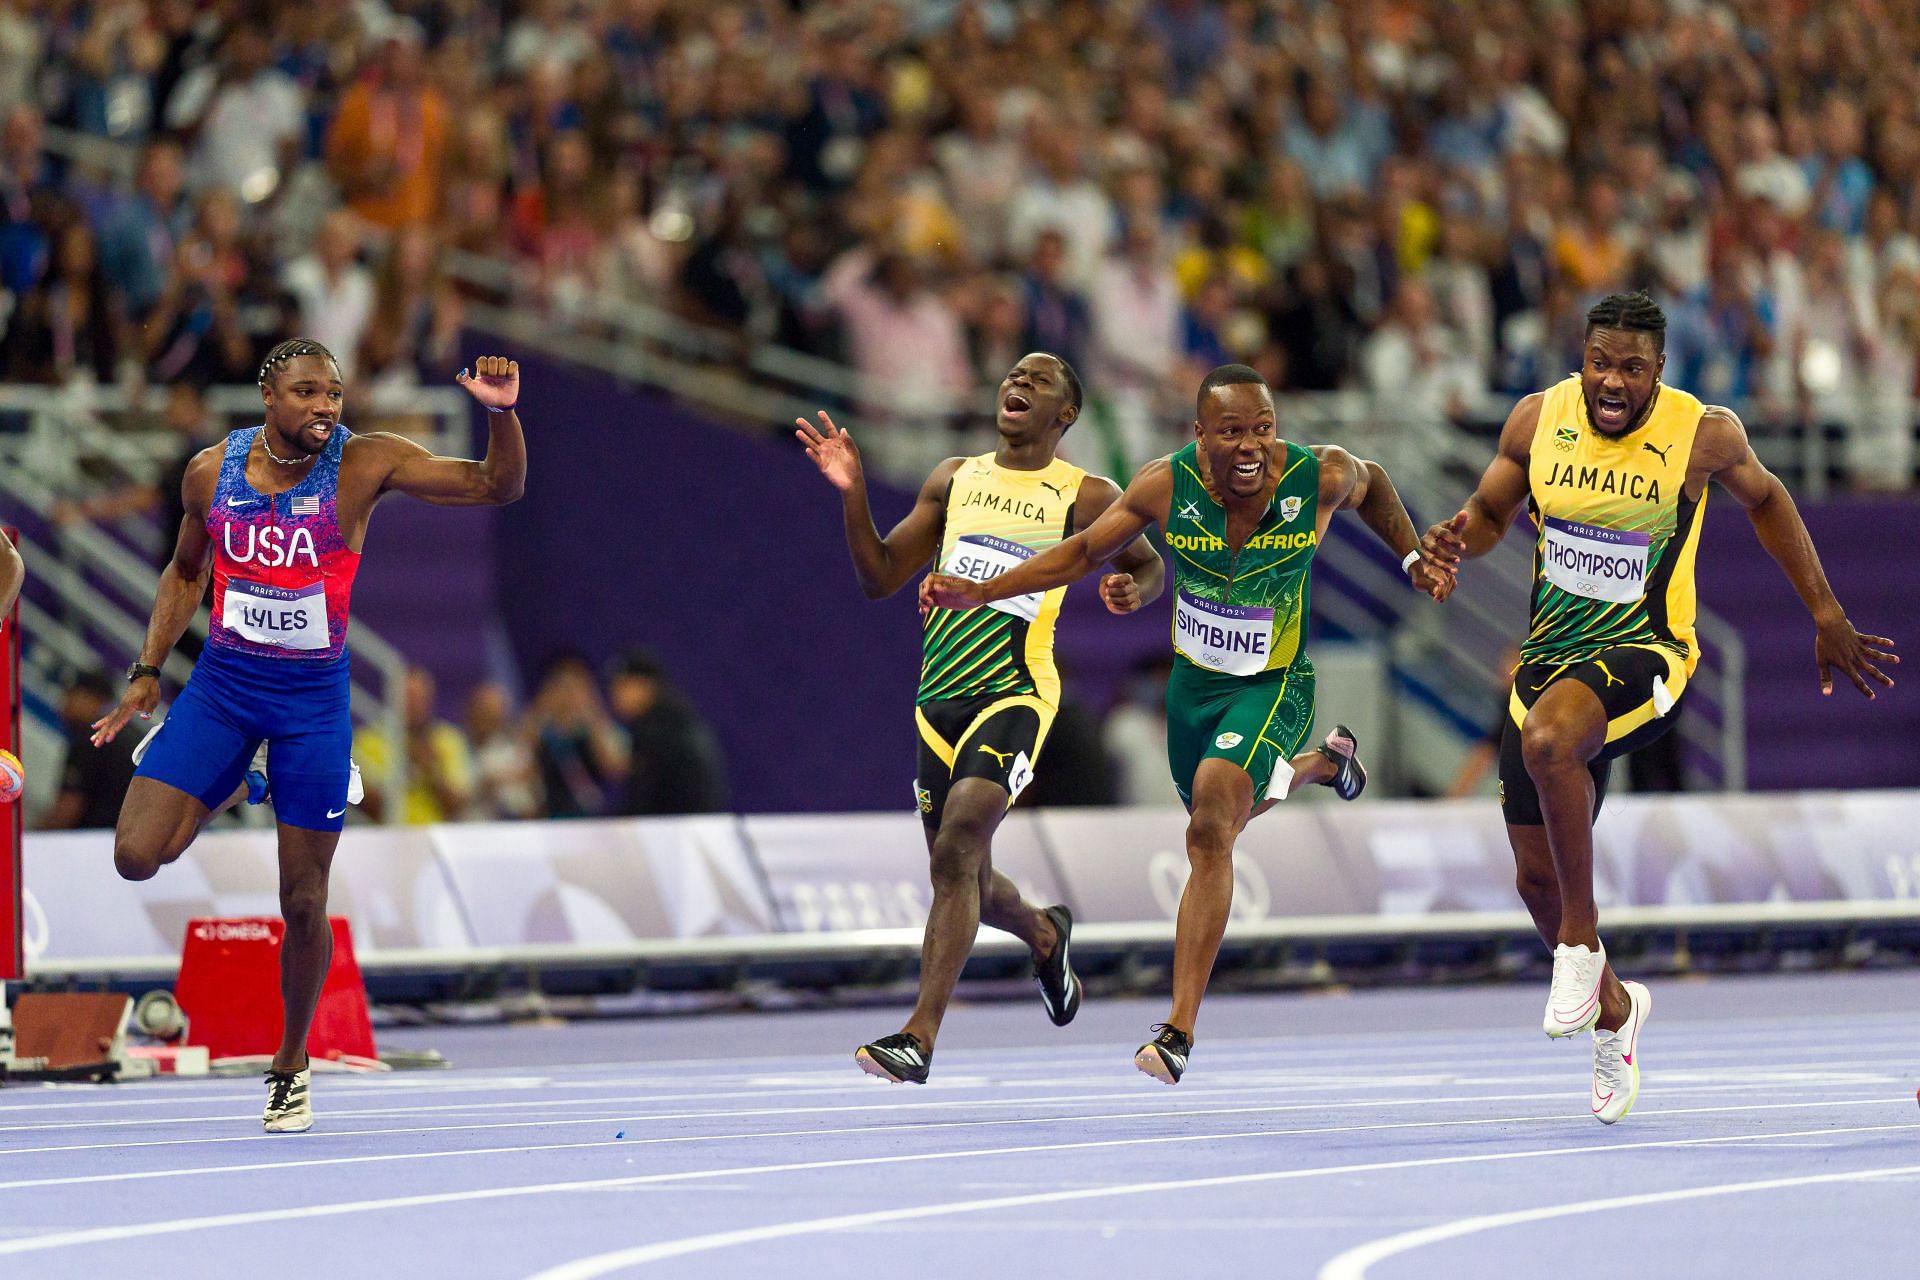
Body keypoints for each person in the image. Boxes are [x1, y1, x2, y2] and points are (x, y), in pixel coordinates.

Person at [1419, 291, 1899, 1125]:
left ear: (1658, 372)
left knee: (1550, 741)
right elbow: (1494, 511)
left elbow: (1772, 502)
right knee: (1534, 873)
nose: (1612, 381)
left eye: (1631, 369)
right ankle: (1615, 1011)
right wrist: (1459, 533)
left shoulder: (1700, 433)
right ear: (1582, 356)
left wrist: (1824, 610)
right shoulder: (1538, 421)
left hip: (1651, 655)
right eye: (1600, 362)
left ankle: (1579, 941)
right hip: (1548, 661)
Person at [925, 363, 1445, 1084]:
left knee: (1207, 827)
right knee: (1217, 819)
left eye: (1263, 429)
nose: (1251, 447)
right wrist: (984, 591)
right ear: (1199, 436)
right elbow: (1080, 552)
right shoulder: (1163, 486)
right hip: (1193, 691)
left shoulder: (1316, 476)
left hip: (1272, 684)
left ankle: (1178, 1030)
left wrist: (1414, 554)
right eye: (1231, 432)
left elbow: (1376, 481)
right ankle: (1323, 764)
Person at [91, 341, 526, 1133]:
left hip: (311, 704)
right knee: (134, 855)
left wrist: (502, 415)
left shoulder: (364, 465)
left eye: (333, 392)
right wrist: (148, 667)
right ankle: (238, 774)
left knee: (303, 897)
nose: (325, 406)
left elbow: (497, 484)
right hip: (224, 685)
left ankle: (289, 1065)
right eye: (306, 393)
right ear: (267, 397)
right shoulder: (209, 472)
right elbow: (188, 571)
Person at [797, 352, 1165, 1085]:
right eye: (1013, 376)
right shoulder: (953, 477)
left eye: (1040, 380)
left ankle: (919, 1036)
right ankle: (1040, 929)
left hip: (1017, 691)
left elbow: (1148, 564)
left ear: (1065, 415)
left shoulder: (1087, 494)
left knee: (961, 837)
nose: (1018, 384)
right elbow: (878, 579)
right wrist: (853, 490)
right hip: (938, 700)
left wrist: (1137, 590)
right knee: (958, 867)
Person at [606, 650, 728, 816]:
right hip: (691, 824)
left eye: (622, 686)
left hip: (674, 828)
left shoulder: (654, 728)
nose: (614, 694)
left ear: (644, 686)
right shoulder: (676, 716)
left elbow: (644, 799)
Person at [354, 666, 476, 825]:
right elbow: (362, 802)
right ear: (392, 698)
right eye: (408, 698)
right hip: (384, 836)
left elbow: (457, 805)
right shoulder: (367, 740)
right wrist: (403, 769)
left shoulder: (448, 739)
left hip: (433, 835)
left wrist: (433, 771)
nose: (414, 706)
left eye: (420, 698)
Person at [41, 671, 136, 830]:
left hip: (93, 841)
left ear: (94, 700)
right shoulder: (124, 735)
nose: (64, 703)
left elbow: (66, 812)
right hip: (121, 840)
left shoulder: (92, 740)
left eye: (71, 695)